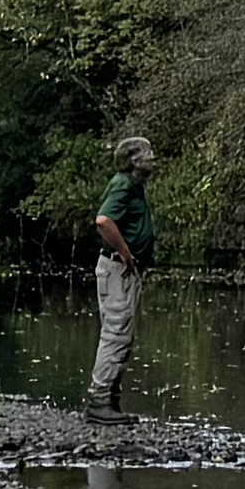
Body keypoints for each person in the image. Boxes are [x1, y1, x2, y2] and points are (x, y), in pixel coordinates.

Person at [85, 128, 153, 416]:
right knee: (115, 332)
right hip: (117, 268)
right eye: (148, 154)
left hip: (124, 270)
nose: (154, 158)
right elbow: (103, 220)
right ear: (134, 160)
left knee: (123, 334)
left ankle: (110, 397)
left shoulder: (133, 186)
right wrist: (125, 252)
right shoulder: (123, 184)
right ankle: (99, 400)